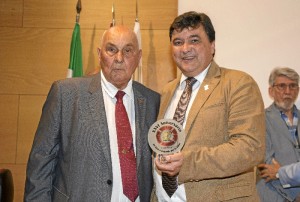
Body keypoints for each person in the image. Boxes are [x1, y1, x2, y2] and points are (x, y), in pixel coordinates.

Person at [24, 25, 160, 202]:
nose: (119, 58)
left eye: (128, 51)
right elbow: (40, 164)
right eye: (111, 50)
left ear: (139, 57)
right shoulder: (66, 94)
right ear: (99, 54)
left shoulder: (152, 101)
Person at [152, 11, 265, 202]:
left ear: (212, 46)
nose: (185, 48)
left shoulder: (238, 83)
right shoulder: (167, 92)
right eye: (178, 42)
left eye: (194, 40)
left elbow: (250, 147)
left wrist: (187, 164)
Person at [257, 67, 300, 202]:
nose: (287, 91)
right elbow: (266, 165)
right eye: (282, 86)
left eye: (292, 86)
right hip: (275, 194)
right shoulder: (259, 119)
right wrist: (295, 195)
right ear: (271, 91)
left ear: (298, 90)